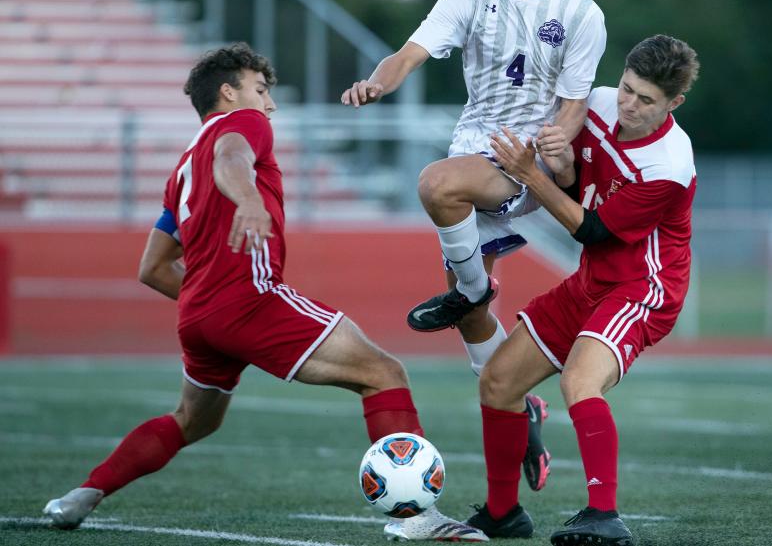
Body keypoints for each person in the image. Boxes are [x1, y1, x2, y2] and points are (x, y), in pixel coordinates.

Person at [42, 43, 488, 542]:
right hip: (250, 298)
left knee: (193, 420)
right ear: (229, 94)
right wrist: (249, 199)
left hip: (198, 315)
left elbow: (153, 269)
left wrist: (211, 302)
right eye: (260, 90)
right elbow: (233, 157)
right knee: (384, 373)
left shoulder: (181, 170)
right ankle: (418, 519)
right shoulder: (244, 125)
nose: (269, 104)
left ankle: (84, 493)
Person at [340, 0, 606, 501]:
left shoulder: (578, 13)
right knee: (475, 321)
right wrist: (379, 82)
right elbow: (407, 53)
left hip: (525, 165)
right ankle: (524, 418)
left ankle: (470, 286)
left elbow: (572, 108)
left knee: (436, 186)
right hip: (475, 150)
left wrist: (546, 154)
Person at [462, 35, 699, 546]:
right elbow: (574, 187)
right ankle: (504, 514)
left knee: (579, 382)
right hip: (593, 280)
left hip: (643, 288)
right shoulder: (594, 103)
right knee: (499, 383)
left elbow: (589, 228)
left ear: (674, 104)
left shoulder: (670, 165)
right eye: (629, 89)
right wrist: (561, 168)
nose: (629, 106)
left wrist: (530, 174)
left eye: (647, 100)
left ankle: (604, 516)